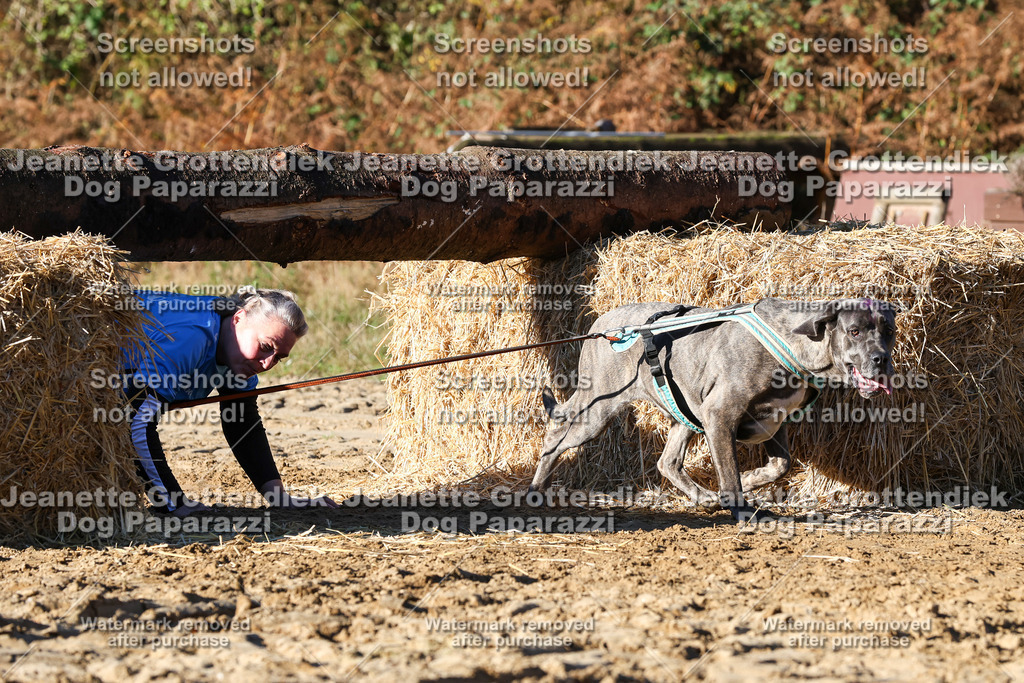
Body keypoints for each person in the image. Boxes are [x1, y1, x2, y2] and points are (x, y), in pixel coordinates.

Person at [121, 287, 337, 517]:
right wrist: (172, 503)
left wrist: (280, 499)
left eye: (279, 358)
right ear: (238, 318)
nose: (266, 365)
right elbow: (133, 420)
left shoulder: (240, 355)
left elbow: (242, 425)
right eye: (265, 347)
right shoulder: (191, 339)